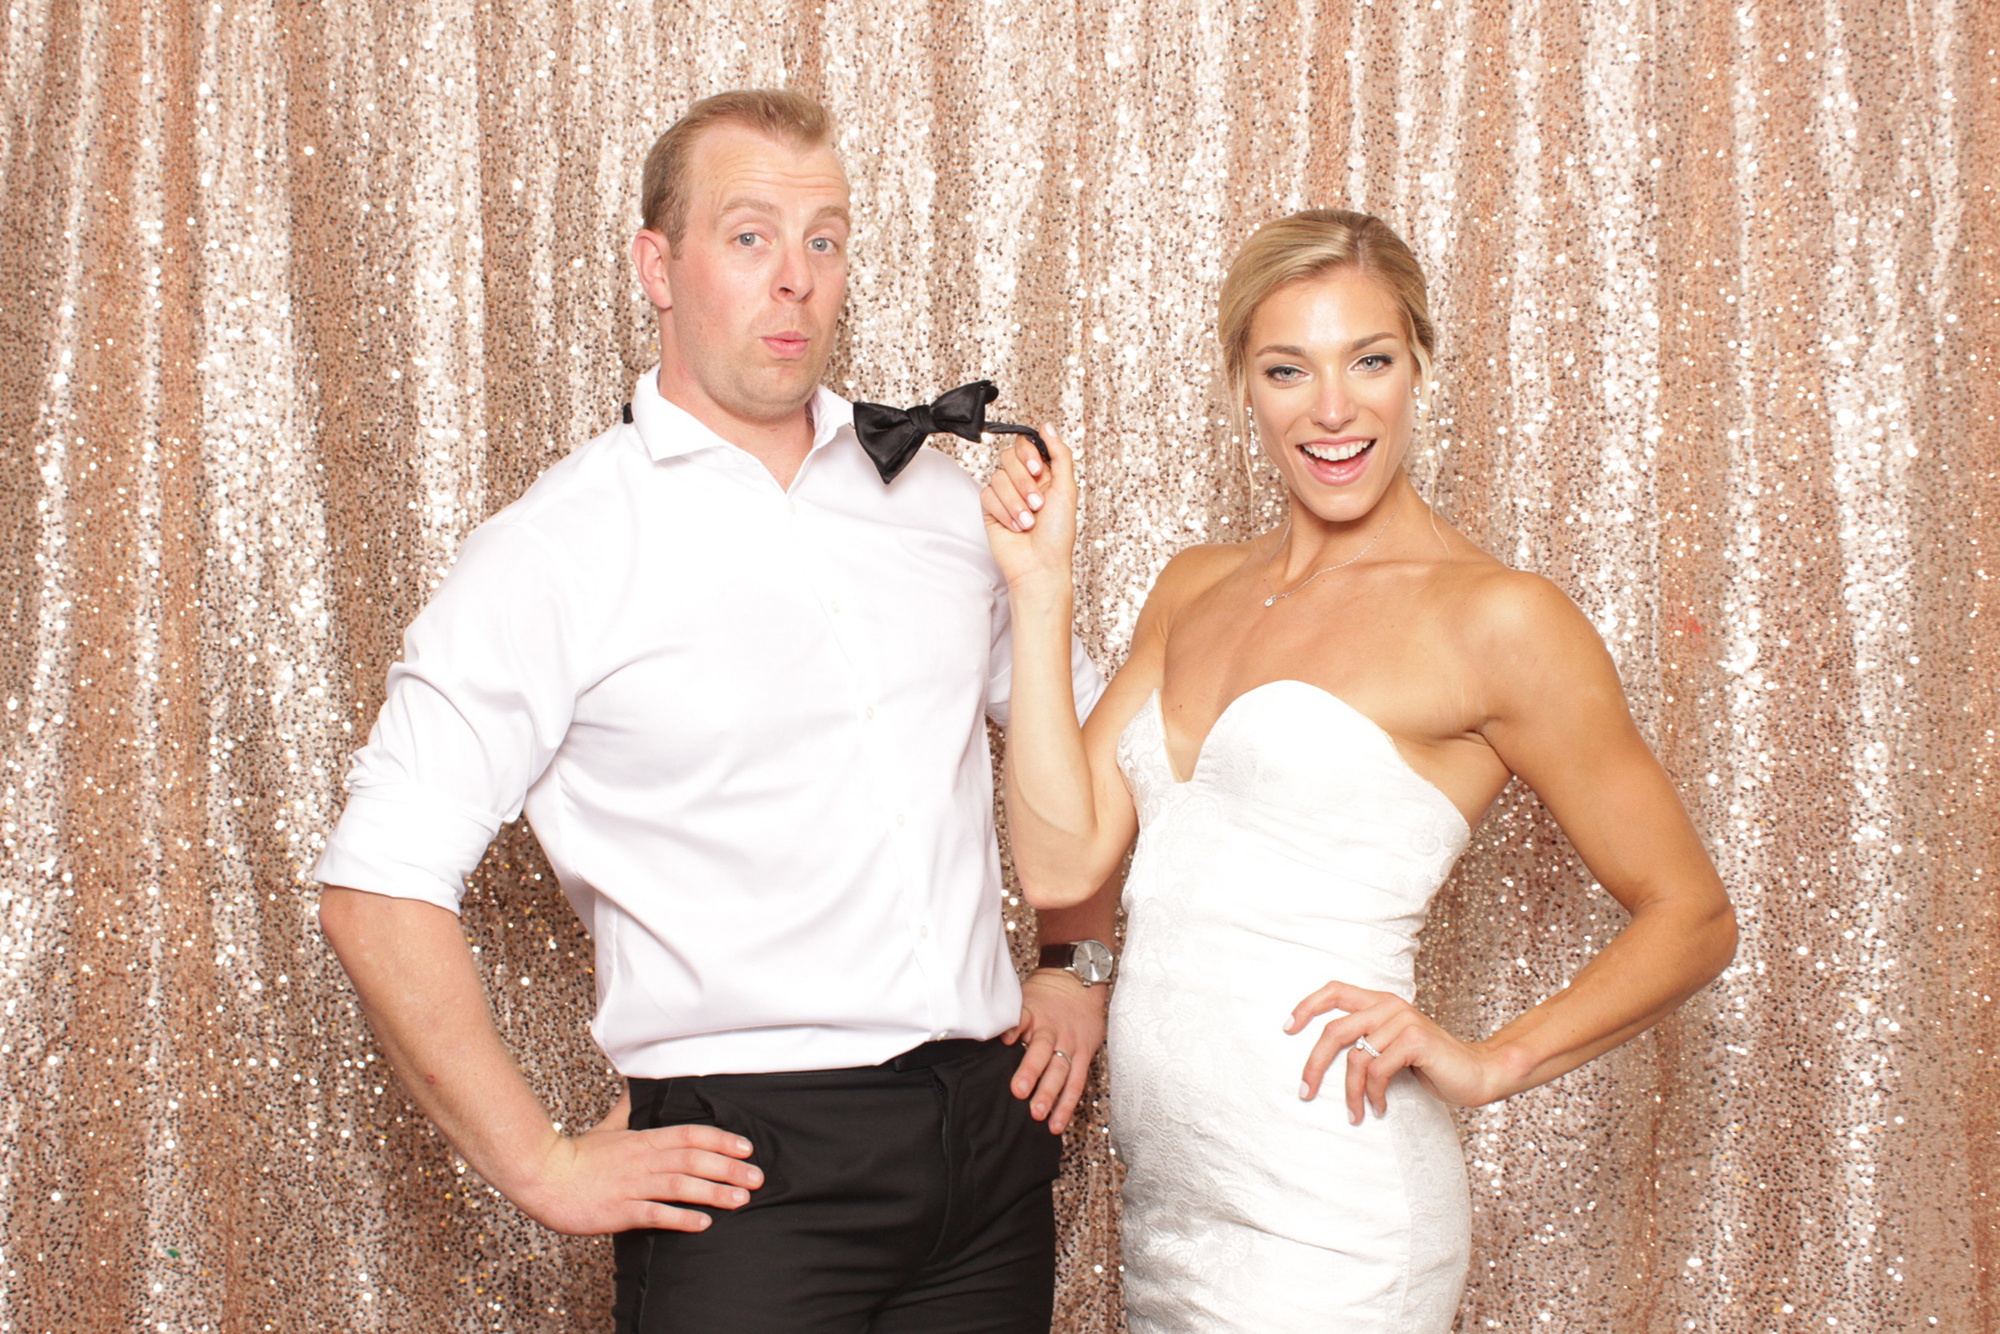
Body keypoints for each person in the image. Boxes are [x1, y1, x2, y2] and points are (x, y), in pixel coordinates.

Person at [314, 88, 1118, 1334]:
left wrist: (1074, 959)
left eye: (824, 238)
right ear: (657, 263)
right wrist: (541, 1161)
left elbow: (1087, 760)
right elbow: (375, 883)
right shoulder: (554, 551)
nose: (793, 278)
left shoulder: (948, 507)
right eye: (748, 237)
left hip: (987, 1148)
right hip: (749, 1175)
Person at [979, 208, 1737, 1332]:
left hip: (1337, 1216)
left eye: (1368, 361)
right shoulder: (1192, 588)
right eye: (1288, 368)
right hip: (1175, 1213)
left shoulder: (1495, 617)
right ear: (1244, 385)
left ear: (1416, 367)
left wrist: (1488, 1061)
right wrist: (1037, 593)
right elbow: (1054, 860)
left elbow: (1693, 914)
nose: (1332, 409)